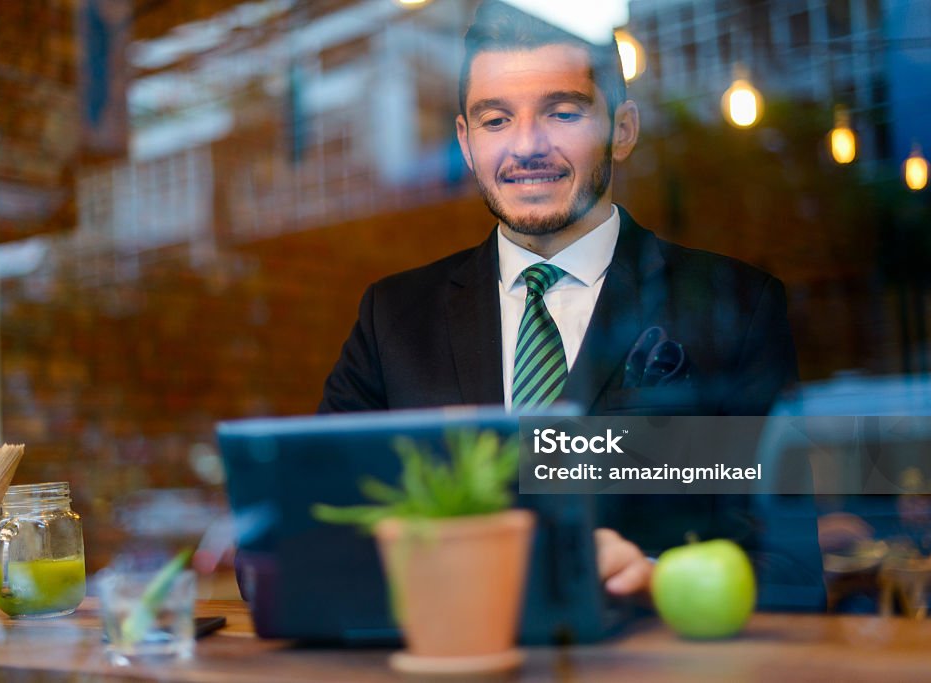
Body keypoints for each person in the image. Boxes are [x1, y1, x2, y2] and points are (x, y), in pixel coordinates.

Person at [319, 1, 823, 607]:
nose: (527, 147)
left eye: (562, 112)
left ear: (624, 129)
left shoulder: (736, 306)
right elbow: (303, 544)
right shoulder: (392, 317)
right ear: (466, 141)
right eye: (496, 120)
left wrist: (655, 578)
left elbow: (791, 565)